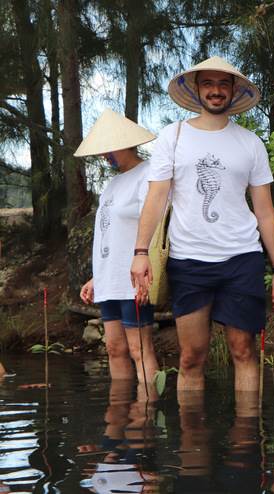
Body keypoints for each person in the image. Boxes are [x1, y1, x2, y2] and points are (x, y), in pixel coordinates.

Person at [130, 57, 274, 395]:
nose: (216, 91)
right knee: (191, 357)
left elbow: (265, 212)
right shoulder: (173, 136)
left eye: (223, 84)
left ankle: (246, 443)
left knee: (243, 351)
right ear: (197, 89)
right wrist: (140, 252)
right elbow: (156, 197)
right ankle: (193, 444)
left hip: (241, 257)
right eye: (208, 84)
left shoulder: (250, 143)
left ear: (234, 90)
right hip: (188, 260)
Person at [76, 109, 159, 386]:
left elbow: (156, 225)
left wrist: (149, 267)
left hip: (133, 279)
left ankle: (146, 418)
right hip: (109, 279)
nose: (103, 156)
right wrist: (96, 277)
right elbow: (110, 234)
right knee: (114, 349)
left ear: (124, 143)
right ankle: (118, 419)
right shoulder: (112, 184)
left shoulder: (148, 174)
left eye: (107, 149)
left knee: (139, 349)